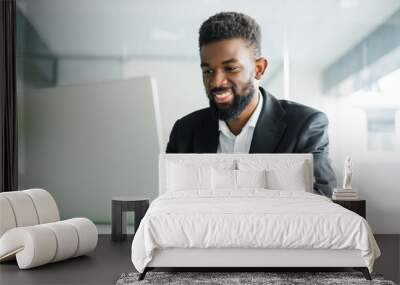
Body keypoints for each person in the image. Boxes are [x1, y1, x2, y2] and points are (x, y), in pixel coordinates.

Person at [166, 12, 336, 197]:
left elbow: (322, 204)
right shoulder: (185, 132)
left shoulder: (305, 126)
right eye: (208, 70)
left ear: (259, 69)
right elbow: (170, 202)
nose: (216, 82)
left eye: (230, 68)